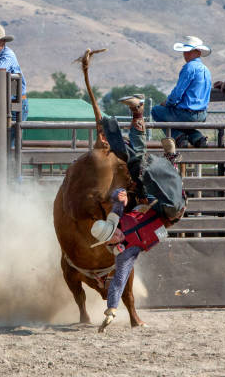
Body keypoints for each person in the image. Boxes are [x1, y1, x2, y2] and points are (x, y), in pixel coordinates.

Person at [93, 96, 186, 332]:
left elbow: (116, 197)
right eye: (110, 239)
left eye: (111, 235)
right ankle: (171, 159)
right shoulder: (126, 254)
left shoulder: (118, 217)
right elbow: (118, 281)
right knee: (167, 194)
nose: (113, 238)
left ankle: (137, 113)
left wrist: (120, 194)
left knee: (136, 159)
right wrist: (111, 310)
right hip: (167, 212)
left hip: (153, 201)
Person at [151, 36, 212, 148]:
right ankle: (197, 138)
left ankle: (178, 137)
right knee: (182, 121)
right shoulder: (206, 70)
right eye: (185, 52)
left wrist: (168, 103)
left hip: (187, 113)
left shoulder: (189, 68)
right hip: (202, 114)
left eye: (189, 51)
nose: (185, 54)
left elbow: (177, 93)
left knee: (156, 111)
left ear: (198, 52)